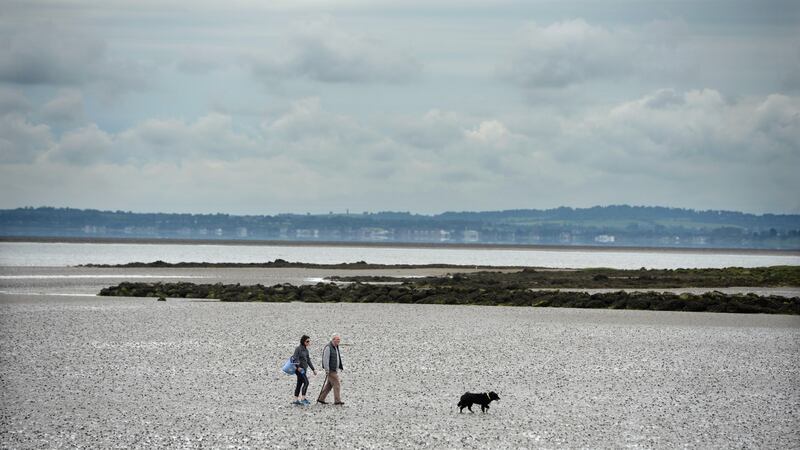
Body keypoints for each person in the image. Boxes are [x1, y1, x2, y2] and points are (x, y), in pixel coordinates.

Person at [317, 333, 344, 405]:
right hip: (331, 370)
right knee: (337, 384)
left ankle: (321, 398)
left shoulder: (336, 346)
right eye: (337, 339)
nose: (339, 341)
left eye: (339, 339)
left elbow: (337, 358)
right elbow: (325, 359)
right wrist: (327, 370)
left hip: (334, 370)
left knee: (329, 385)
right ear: (333, 339)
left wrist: (339, 367)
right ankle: (337, 401)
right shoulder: (328, 347)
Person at [291, 335, 316, 405]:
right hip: (299, 370)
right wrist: (298, 367)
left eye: (309, 341)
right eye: (307, 341)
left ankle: (296, 400)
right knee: (306, 382)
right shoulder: (298, 349)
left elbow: (308, 360)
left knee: (299, 383)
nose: (308, 342)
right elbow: (294, 358)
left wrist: (313, 369)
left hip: (304, 370)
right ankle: (303, 399)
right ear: (303, 341)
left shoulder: (306, 350)